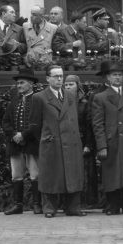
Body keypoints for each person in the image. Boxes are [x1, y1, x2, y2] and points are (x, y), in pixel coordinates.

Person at [28, 65, 86, 218]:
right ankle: (49, 208)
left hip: (72, 142)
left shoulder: (70, 95)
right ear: (47, 78)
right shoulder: (39, 97)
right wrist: (46, 138)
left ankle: (73, 207)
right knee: (51, 176)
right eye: (55, 76)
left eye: (61, 76)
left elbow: (74, 119)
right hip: (51, 143)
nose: (59, 79)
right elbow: (34, 124)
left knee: (73, 174)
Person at [91, 58, 123, 215]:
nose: (118, 78)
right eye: (114, 75)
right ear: (107, 78)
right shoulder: (101, 97)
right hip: (112, 142)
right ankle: (112, 205)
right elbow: (97, 124)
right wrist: (102, 146)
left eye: (120, 75)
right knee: (112, 175)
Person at [2, 68, 41, 215]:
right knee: (16, 175)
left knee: (35, 174)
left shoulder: (38, 100)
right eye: (17, 83)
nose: (18, 86)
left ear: (31, 83)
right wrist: (14, 135)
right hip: (14, 144)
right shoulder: (13, 102)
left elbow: (37, 123)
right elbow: (5, 122)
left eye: (22, 83)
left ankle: (37, 204)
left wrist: (24, 134)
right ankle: (18, 205)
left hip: (31, 143)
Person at [64, 75, 97, 207]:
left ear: (78, 86)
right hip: (68, 143)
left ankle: (86, 203)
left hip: (83, 143)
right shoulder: (61, 101)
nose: (67, 87)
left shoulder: (85, 103)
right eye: (66, 85)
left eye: (71, 84)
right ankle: (69, 203)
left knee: (86, 174)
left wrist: (89, 144)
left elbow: (90, 125)